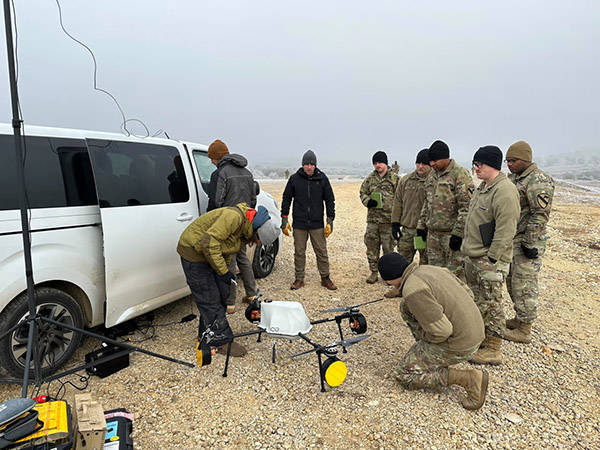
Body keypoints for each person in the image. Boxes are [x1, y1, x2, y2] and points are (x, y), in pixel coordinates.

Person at [378, 252, 488, 410]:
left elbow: (442, 332)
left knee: (404, 374)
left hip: (461, 344)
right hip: (476, 332)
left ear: (390, 278)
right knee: (405, 306)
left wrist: (425, 337)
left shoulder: (412, 289)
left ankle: (468, 379)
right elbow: (469, 293)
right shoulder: (432, 269)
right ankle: (431, 356)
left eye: (388, 281)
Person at [177, 203, 279, 357]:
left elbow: (225, 250)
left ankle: (205, 333)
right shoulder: (234, 218)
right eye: (258, 239)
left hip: (207, 254)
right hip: (194, 252)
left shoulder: (245, 230)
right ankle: (221, 341)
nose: (257, 243)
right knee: (209, 296)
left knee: (221, 293)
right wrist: (223, 272)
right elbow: (209, 243)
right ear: (257, 230)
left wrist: (223, 274)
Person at [461, 146, 520, 365]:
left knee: (492, 303)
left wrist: (493, 258)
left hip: (489, 261)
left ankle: (494, 348)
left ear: (492, 165)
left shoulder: (504, 190)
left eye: (479, 164)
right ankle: (483, 339)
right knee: (481, 302)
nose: (475, 168)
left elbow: (506, 229)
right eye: (474, 164)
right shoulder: (483, 188)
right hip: (475, 257)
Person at [503, 141, 555, 344]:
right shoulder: (515, 178)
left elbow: (540, 214)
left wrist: (529, 242)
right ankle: (519, 318)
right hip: (513, 239)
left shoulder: (538, 180)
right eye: (507, 161)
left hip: (527, 241)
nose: (509, 164)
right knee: (512, 281)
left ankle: (525, 329)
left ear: (526, 159)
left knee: (524, 284)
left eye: (513, 160)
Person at [206, 139, 259, 312]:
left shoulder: (221, 173)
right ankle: (252, 293)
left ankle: (230, 303)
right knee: (243, 257)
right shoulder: (246, 172)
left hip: (228, 223)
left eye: (212, 158)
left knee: (229, 260)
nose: (212, 162)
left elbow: (217, 200)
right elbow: (253, 200)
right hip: (244, 222)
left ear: (218, 157)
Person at [416, 140, 473, 280]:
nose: (432, 164)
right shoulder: (432, 175)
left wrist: (458, 234)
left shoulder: (460, 175)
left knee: (455, 276)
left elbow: (467, 207)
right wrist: (421, 226)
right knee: (435, 274)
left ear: (445, 158)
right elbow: (427, 202)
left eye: (435, 160)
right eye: (430, 161)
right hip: (433, 235)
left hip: (451, 235)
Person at [281, 150, 337, 290]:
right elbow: (286, 198)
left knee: (321, 251)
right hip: (299, 223)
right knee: (299, 252)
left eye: (311, 164)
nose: (309, 167)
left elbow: (330, 200)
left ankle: (325, 278)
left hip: (317, 223)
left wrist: (330, 220)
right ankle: (299, 279)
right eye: (306, 164)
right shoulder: (294, 179)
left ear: (315, 165)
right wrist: (284, 218)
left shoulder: (322, 178)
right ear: (302, 165)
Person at [390, 149, 431, 288]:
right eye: (418, 163)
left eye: (424, 163)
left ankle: (424, 289)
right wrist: (395, 223)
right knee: (403, 262)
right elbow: (397, 202)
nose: (420, 166)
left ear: (431, 164)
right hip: (407, 230)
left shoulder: (434, 182)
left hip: (424, 232)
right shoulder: (405, 180)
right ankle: (401, 288)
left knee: (425, 264)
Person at [359, 151, 398, 284]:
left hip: (388, 221)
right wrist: (367, 201)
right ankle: (374, 272)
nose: (377, 165)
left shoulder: (395, 179)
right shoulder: (370, 179)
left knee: (388, 249)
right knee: (371, 247)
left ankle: (389, 275)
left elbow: (400, 199)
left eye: (380, 162)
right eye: (375, 163)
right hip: (373, 221)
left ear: (385, 163)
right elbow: (362, 192)